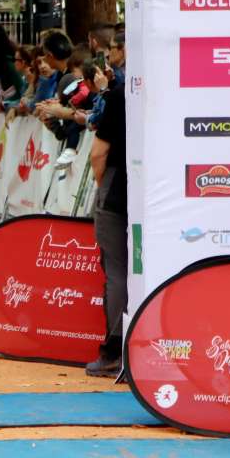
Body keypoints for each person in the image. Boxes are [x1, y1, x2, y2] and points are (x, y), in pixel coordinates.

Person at [87, 80, 127, 377]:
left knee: (116, 270)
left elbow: (98, 154)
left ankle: (114, 350)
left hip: (116, 189)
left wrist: (103, 189)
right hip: (165, 192)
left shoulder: (119, 95)